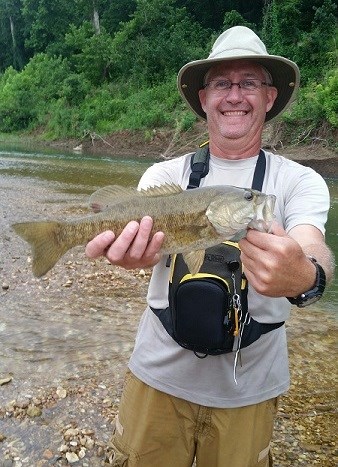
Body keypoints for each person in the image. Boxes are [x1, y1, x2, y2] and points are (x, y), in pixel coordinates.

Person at [85, 26, 334, 467]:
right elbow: (142, 256)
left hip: (250, 389)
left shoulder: (299, 182)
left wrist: (309, 278)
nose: (234, 95)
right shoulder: (163, 176)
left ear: (270, 97)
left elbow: (312, 245)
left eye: (248, 83)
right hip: (157, 376)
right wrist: (129, 261)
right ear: (203, 98)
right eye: (222, 83)